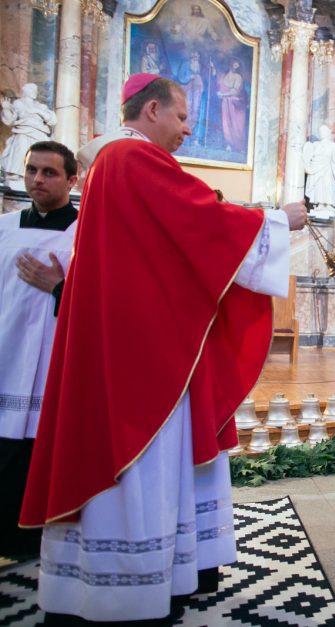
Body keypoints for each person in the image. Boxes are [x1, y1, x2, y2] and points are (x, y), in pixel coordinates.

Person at [18, 73, 307, 623]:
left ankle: (131, 576)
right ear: (151, 110)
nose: (187, 129)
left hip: (134, 332)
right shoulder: (134, 160)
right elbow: (201, 221)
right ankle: (129, 589)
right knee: (139, 458)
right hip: (141, 348)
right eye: (180, 117)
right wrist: (277, 221)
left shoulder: (111, 164)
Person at [0, 141, 78, 559]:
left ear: (72, 179)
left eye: (49, 172)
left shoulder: (84, 233)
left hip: (54, 358)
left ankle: (39, 539)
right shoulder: (4, 228)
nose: (37, 179)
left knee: (40, 448)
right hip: (7, 355)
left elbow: (105, 302)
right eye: (32, 170)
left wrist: (61, 287)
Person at [0, 83, 57, 184]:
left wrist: (37, 111)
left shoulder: (40, 106)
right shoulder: (18, 103)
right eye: (31, 89)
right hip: (23, 130)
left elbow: (52, 120)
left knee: (41, 155)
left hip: (40, 133)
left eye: (35, 90)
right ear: (25, 91)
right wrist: (6, 108)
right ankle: (16, 175)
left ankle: (39, 176)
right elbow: (10, 120)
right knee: (21, 150)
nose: (34, 92)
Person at [302, 124, 335, 213]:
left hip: (328, 169)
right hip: (316, 169)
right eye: (321, 131)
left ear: (328, 132)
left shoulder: (333, 145)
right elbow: (310, 156)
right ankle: (320, 204)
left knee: (328, 185)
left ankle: (329, 205)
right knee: (319, 187)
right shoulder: (316, 145)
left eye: (324, 131)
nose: (322, 133)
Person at [216, 59, 247, 152]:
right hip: (225, 103)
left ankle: (239, 146)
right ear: (231, 64)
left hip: (234, 103)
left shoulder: (238, 77)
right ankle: (228, 144)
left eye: (237, 65)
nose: (236, 66)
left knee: (236, 124)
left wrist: (223, 95)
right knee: (226, 123)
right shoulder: (224, 76)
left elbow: (235, 91)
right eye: (234, 64)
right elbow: (219, 86)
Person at [177, 50, 205, 141]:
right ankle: (183, 130)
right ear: (191, 55)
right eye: (195, 55)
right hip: (187, 89)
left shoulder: (200, 66)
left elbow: (206, 78)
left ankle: (192, 130)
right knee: (187, 108)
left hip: (197, 90)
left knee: (196, 109)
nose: (196, 57)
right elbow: (181, 76)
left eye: (198, 55)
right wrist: (189, 77)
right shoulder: (185, 64)